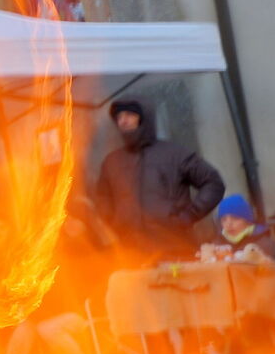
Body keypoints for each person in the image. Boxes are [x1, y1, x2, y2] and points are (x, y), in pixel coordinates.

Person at [94, 99, 225, 263]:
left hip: (174, 250)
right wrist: (114, 222)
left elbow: (213, 183)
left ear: (143, 119)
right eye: (119, 117)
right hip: (130, 254)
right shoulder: (111, 161)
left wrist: (189, 215)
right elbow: (102, 198)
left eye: (129, 114)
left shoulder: (174, 154)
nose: (123, 121)